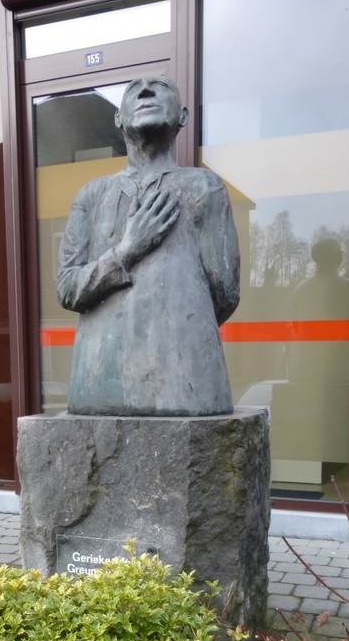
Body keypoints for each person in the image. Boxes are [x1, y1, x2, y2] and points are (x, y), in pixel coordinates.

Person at [57, 76, 239, 416]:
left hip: (187, 382)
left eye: (160, 86)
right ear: (118, 118)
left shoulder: (205, 187)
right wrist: (128, 250)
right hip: (100, 382)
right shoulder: (92, 195)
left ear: (183, 116)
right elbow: (68, 289)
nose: (145, 91)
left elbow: (224, 294)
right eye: (134, 89)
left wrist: (171, 324)